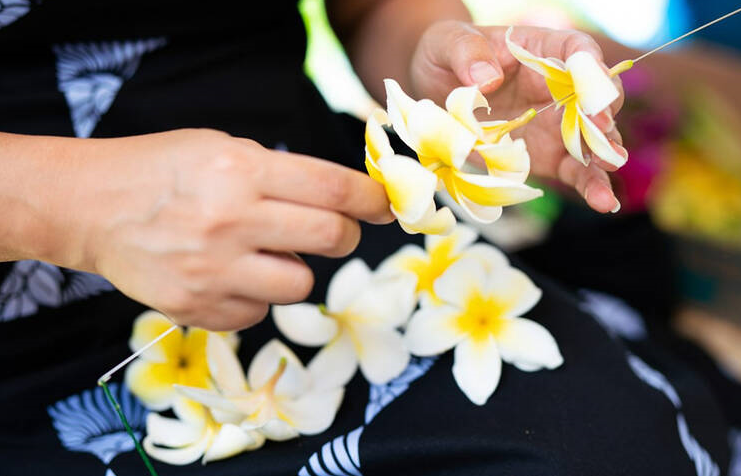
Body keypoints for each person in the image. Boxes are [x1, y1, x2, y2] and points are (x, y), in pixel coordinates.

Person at [0, 1, 731, 475]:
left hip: (318, 252)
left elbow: (370, 9)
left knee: (607, 449)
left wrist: (443, 64)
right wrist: (69, 208)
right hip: (32, 370)